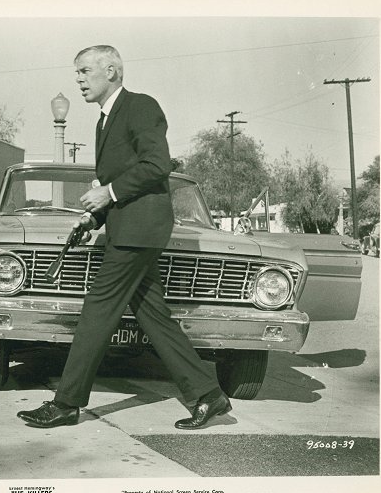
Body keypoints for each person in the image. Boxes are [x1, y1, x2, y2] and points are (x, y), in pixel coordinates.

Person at [17, 45, 232, 430]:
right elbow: (124, 184)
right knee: (154, 317)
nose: (78, 79)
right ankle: (207, 396)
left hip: (139, 231)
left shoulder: (140, 106)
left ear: (112, 71)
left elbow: (156, 165)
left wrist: (107, 193)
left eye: (84, 71)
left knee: (97, 312)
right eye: (76, 72)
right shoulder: (104, 120)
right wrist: (94, 216)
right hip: (130, 227)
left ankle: (66, 403)